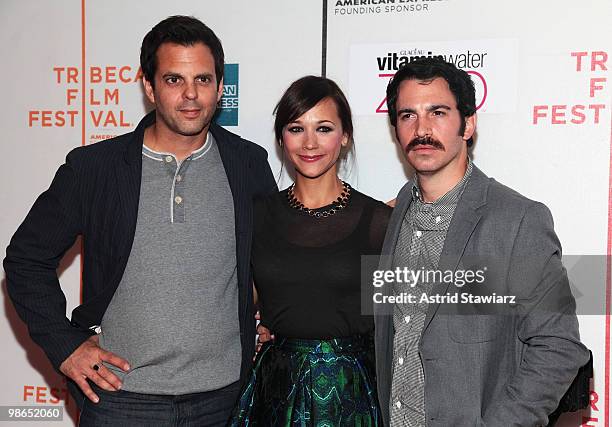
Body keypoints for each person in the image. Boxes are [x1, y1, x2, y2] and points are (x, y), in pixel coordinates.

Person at [4, 15, 275, 426]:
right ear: (148, 86)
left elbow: (276, 258)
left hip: (223, 400)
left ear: (220, 87)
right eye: (173, 80)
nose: (190, 95)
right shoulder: (95, 169)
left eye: (203, 80)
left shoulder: (248, 164)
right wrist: (65, 346)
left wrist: (277, 318)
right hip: (120, 400)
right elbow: (25, 260)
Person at [374, 57, 590, 426]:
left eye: (438, 112)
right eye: (408, 115)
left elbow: (559, 346)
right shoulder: (394, 214)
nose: (422, 128)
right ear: (395, 129)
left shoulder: (518, 220)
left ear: (468, 124)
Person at [231, 76, 391, 426]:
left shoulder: (378, 222)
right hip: (275, 388)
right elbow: (239, 299)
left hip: (350, 392)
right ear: (281, 138)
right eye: (296, 128)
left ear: (345, 136)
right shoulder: (257, 216)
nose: (309, 143)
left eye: (323, 128)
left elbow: (405, 320)